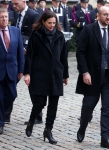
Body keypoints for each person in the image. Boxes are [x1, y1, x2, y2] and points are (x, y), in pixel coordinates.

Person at [76, 6, 109, 149]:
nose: (108, 17)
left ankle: (105, 138)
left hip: (108, 76)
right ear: (98, 16)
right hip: (92, 76)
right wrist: (85, 72)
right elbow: (80, 53)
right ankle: (82, 127)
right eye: (105, 15)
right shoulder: (89, 30)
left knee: (107, 108)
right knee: (88, 106)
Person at [23, 11, 68, 144]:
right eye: (49, 23)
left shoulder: (60, 36)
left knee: (53, 104)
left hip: (55, 74)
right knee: (40, 103)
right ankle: (32, 120)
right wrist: (27, 73)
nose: (52, 25)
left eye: (54, 23)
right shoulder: (36, 35)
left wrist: (65, 75)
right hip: (40, 73)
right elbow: (30, 56)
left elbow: (63, 57)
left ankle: (48, 130)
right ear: (43, 22)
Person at [0, 8, 24, 135]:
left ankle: (2, 113)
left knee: (12, 95)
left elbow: (20, 53)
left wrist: (21, 70)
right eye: (1, 17)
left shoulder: (16, 31)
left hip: (12, 70)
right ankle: (0, 124)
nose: (4, 19)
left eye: (6, 17)